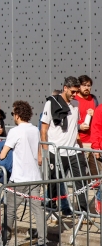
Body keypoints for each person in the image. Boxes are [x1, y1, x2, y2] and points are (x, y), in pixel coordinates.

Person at [0, 101, 47, 246]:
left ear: (18, 115)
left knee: (10, 212)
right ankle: (42, 243)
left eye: (13, 114)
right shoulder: (35, 130)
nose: (13, 116)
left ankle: (3, 243)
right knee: (38, 211)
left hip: (18, 179)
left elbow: (3, 154)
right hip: (35, 177)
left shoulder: (15, 131)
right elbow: (39, 157)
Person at [41, 76, 91, 216]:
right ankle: (51, 209)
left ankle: (83, 211)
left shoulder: (76, 104)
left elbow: (73, 127)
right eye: (73, 91)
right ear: (65, 88)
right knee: (54, 184)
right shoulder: (51, 103)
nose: (75, 95)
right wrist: (45, 152)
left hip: (73, 151)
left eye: (77, 91)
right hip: (55, 151)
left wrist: (79, 144)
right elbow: (44, 129)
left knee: (80, 181)